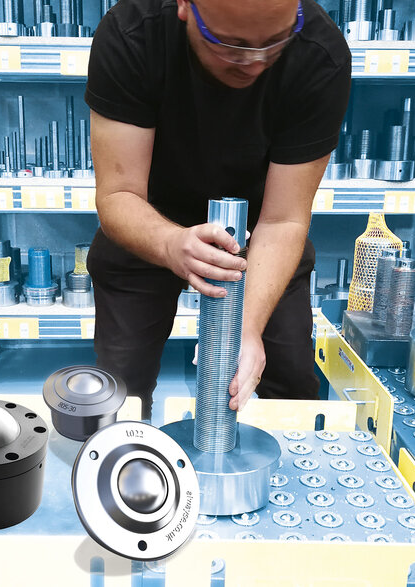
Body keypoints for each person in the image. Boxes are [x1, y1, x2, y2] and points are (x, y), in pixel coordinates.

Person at [85, 0, 351, 419]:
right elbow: (118, 195)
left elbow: (284, 219)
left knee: (291, 384)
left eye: (275, 42)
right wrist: (170, 244)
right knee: (121, 391)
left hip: (261, 233)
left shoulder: (319, 53)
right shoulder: (132, 33)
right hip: (147, 218)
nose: (255, 62)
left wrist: (246, 328)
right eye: (232, 44)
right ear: (185, 6)